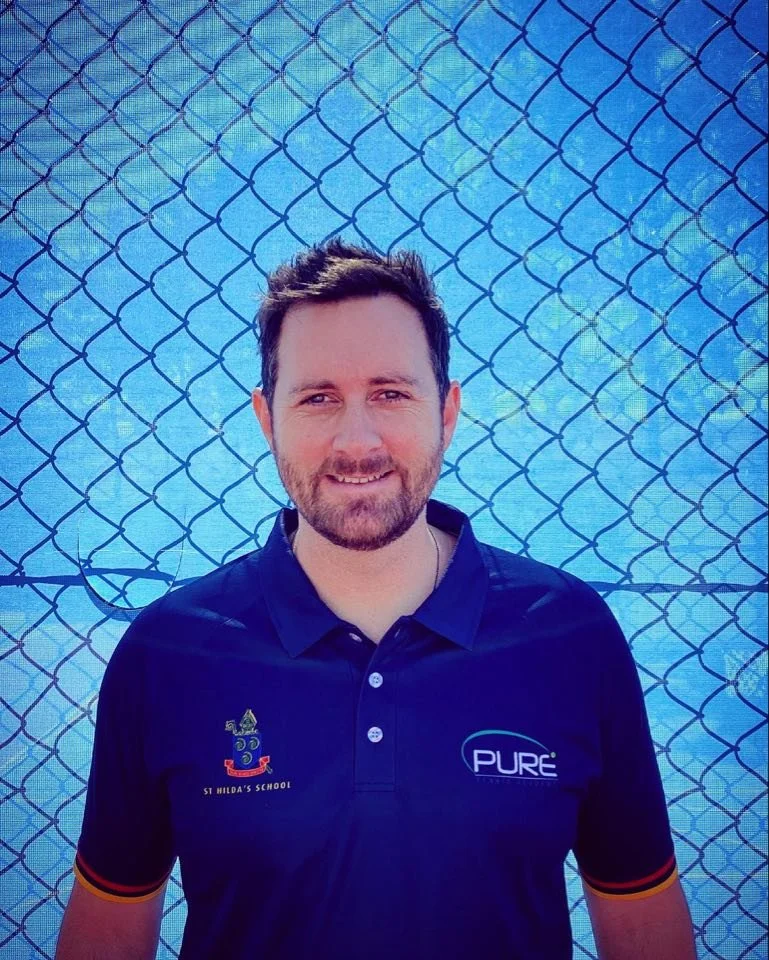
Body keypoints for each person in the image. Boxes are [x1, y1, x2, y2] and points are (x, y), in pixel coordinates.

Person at [55, 239, 697, 959]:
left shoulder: (571, 637)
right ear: (267, 419)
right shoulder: (166, 654)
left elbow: (641, 922)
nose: (355, 440)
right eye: (318, 397)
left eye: (390, 394)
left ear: (447, 412)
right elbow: (107, 932)